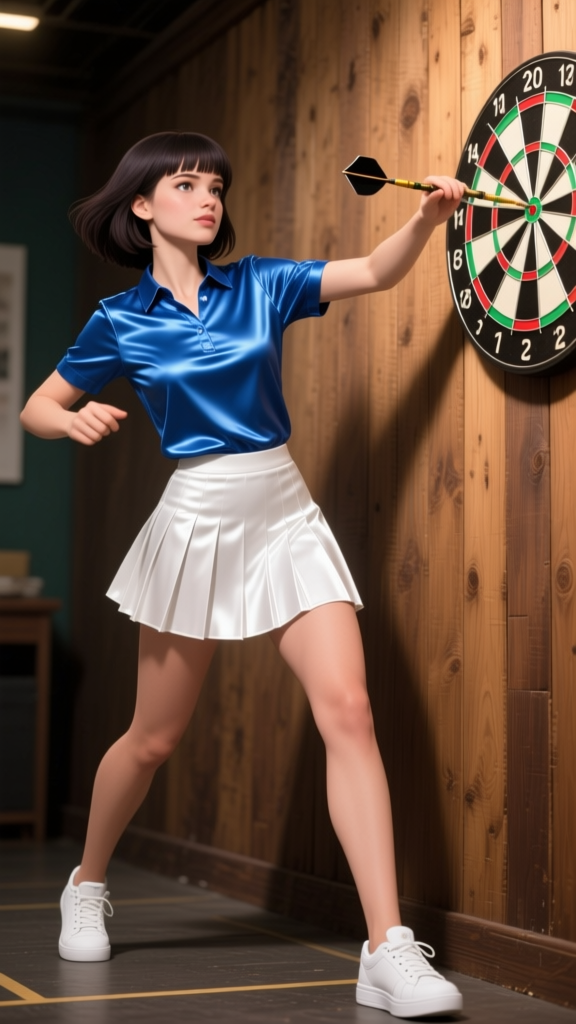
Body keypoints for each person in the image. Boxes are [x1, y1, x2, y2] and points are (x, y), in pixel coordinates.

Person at [21, 132, 465, 1018]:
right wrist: (67, 424)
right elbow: (39, 403)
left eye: (215, 185)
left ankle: (385, 948)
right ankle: (87, 879)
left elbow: (373, 273)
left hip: (284, 508)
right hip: (196, 519)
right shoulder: (120, 318)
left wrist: (425, 219)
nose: (207, 198)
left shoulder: (261, 282)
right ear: (142, 205)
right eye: (186, 184)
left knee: (350, 711)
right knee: (154, 738)